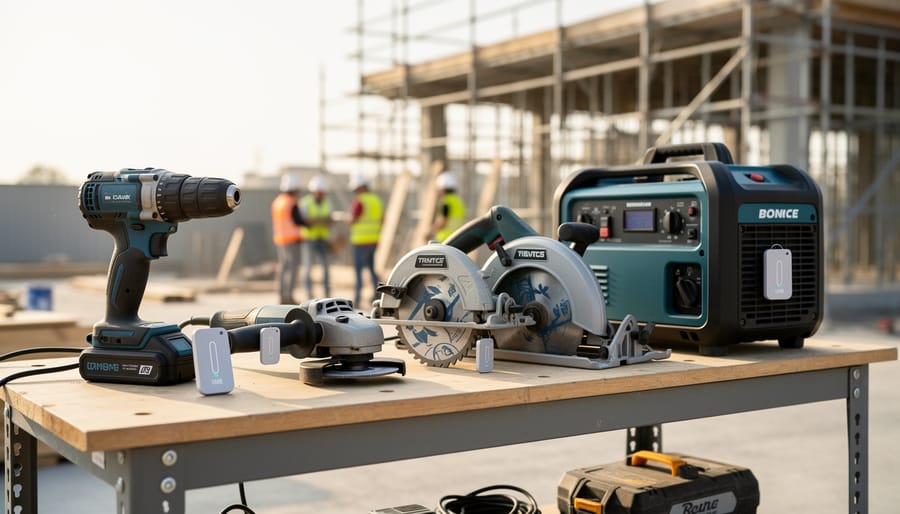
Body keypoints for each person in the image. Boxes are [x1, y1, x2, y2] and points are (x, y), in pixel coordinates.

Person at [348, 174, 384, 308]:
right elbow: (382, 218)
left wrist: (349, 220)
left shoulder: (360, 201)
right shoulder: (376, 200)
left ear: (360, 187)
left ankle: (357, 298)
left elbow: (353, 219)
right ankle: (378, 295)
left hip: (360, 241)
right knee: (371, 269)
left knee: (358, 271)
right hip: (374, 240)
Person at [271, 174, 305, 304]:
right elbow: (298, 221)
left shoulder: (278, 201)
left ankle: (281, 295)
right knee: (292, 269)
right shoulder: (291, 203)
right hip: (292, 240)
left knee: (283, 267)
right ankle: (288, 296)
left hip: (280, 239)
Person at [300, 175, 332, 298]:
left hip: (322, 238)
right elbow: (306, 220)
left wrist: (317, 220)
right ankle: (308, 293)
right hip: (309, 239)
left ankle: (327, 292)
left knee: (325, 267)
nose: (320, 194)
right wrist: (321, 220)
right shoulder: (305, 202)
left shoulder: (327, 202)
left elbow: (329, 220)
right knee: (307, 267)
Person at [428, 172, 466, 242]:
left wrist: (430, 232)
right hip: (458, 237)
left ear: (442, 188)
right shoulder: (458, 201)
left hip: (445, 238)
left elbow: (443, 220)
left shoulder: (446, 201)